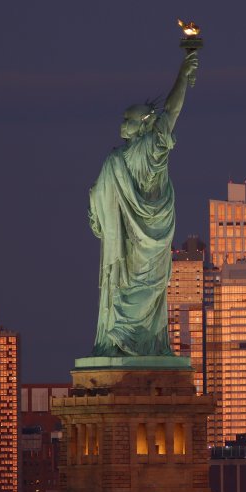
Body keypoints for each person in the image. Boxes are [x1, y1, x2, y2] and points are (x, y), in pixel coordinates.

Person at [88, 49, 199, 357]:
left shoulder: (150, 149)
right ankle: (126, 342)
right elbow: (98, 200)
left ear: (144, 124)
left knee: (147, 288)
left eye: (129, 119)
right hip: (131, 239)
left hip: (148, 236)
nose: (123, 123)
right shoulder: (115, 159)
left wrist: (182, 77)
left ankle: (134, 343)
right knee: (130, 286)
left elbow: (171, 113)